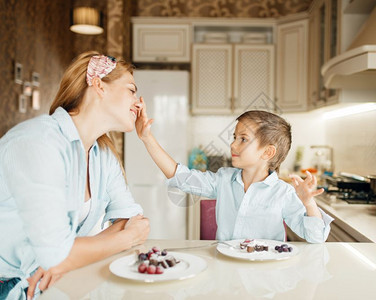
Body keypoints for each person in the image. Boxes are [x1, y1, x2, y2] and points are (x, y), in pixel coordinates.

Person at [0, 51, 150, 299]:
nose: (140, 103)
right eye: (131, 90)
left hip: (45, 285)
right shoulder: (39, 143)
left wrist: (67, 259)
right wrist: (127, 238)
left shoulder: (103, 156)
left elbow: (130, 217)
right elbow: (57, 255)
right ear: (99, 85)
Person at [135, 106, 333, 243]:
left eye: (243, 139)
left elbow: (315, 237)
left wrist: (308, 203)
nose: (233, 144)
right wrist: (147, 138)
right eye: (234, 137)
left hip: (264, 279)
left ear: (268, 152)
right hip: (225, 271)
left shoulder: (283, 192)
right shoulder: (223, 179)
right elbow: (181, 178)